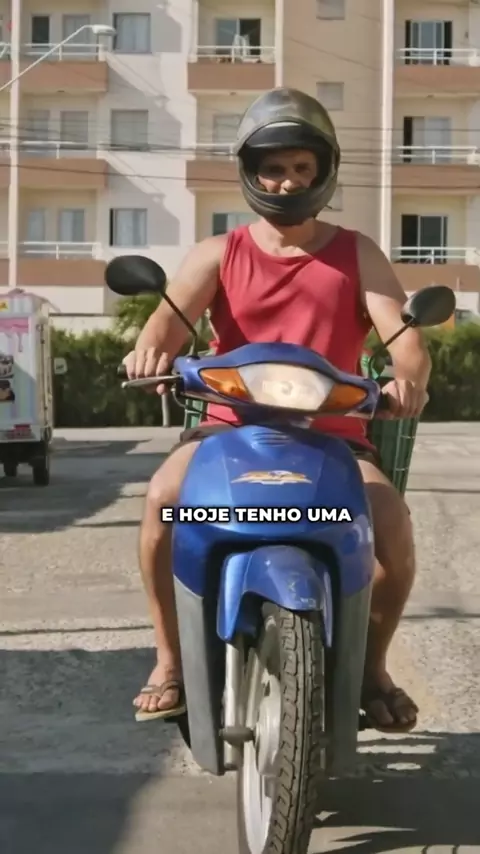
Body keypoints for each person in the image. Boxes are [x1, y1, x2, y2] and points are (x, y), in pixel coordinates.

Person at [123, 87, 431, 732]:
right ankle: (170, 660)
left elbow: (404, 339)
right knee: (163, 503)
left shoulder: (357, 252)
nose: (287, 181)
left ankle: (371, 668)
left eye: (301, 167)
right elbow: (163, 330)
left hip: (334, 438)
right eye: (273, 168)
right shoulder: (218, 253)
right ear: (251, 172)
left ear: (322, 172)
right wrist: (147, 357)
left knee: (391, 525)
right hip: (225, 433)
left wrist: (409, 380)